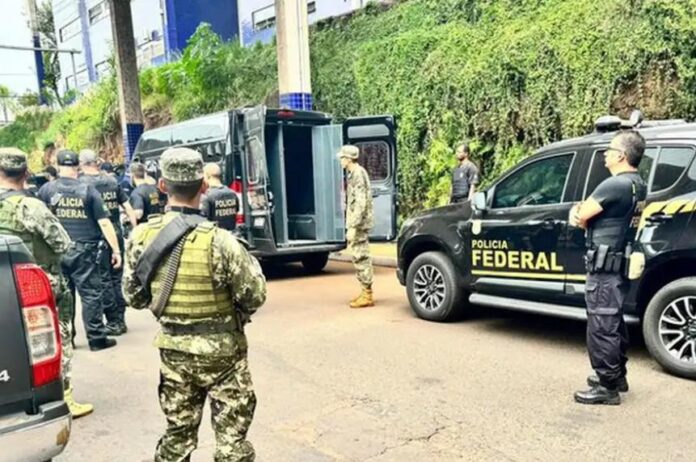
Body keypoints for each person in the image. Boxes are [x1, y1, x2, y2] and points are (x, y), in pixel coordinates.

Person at [123, 147, 266, 462]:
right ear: (203, 186)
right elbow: (255, 295)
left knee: (177, 438)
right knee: (232, 445)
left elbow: (134, 297)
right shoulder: (222, 241)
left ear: (163, 185)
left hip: (174, 353)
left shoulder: (141, 238)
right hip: (224, 354)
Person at [0, 147, 93, 417]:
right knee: (56, 340)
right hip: (37, 287)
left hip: (5, 286)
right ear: (26, 173)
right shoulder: (31, 206)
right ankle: (64, 396)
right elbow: (63, 243)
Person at [569, 130, 647, 405]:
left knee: (602, 323)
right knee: (613, 320)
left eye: (609, 150)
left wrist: (577, 213)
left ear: (621, 156)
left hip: (604, 267)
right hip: (617, 263)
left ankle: (607, 386)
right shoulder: (637, 184)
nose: (605, 154)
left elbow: (581, 216)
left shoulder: (613, 185)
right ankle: (617, 375)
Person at [38, 149, 122, 352]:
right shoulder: (88, 190)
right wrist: (116, 251)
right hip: (85, 251)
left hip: (58, 250)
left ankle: (67, 339)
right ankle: (96, 338)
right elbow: (104, 222)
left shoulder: (47, 190)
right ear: (77, 166)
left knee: (64, 296)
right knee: (91, 294)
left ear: (58, 166)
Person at [79, 149, 137, 335]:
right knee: (116, 278)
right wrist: (134, 231)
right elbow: (128, 207)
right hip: (117, 233)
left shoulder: (82, 185)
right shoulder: (112, 181)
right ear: (96, 162)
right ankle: (120, 318)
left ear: (81, 163)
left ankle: (113, 320)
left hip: (100, 236)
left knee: (103, 279)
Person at [338, 145, 375, 308]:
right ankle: (365, 291)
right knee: (358, 255)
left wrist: (353, 226)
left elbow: (360, 202)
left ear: (348, 159)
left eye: (342, 158)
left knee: (360, 256)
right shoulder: (354, 173)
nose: (340, 160)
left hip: (359, 224)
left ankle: (367, 294)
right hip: (358, 222)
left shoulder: (358, 174)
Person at [200, 162, 239, 232]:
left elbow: (203, 221)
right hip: (232, 235)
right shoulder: (233, 194)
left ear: (207, 176)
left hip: (216, 236)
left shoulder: (207, 196)